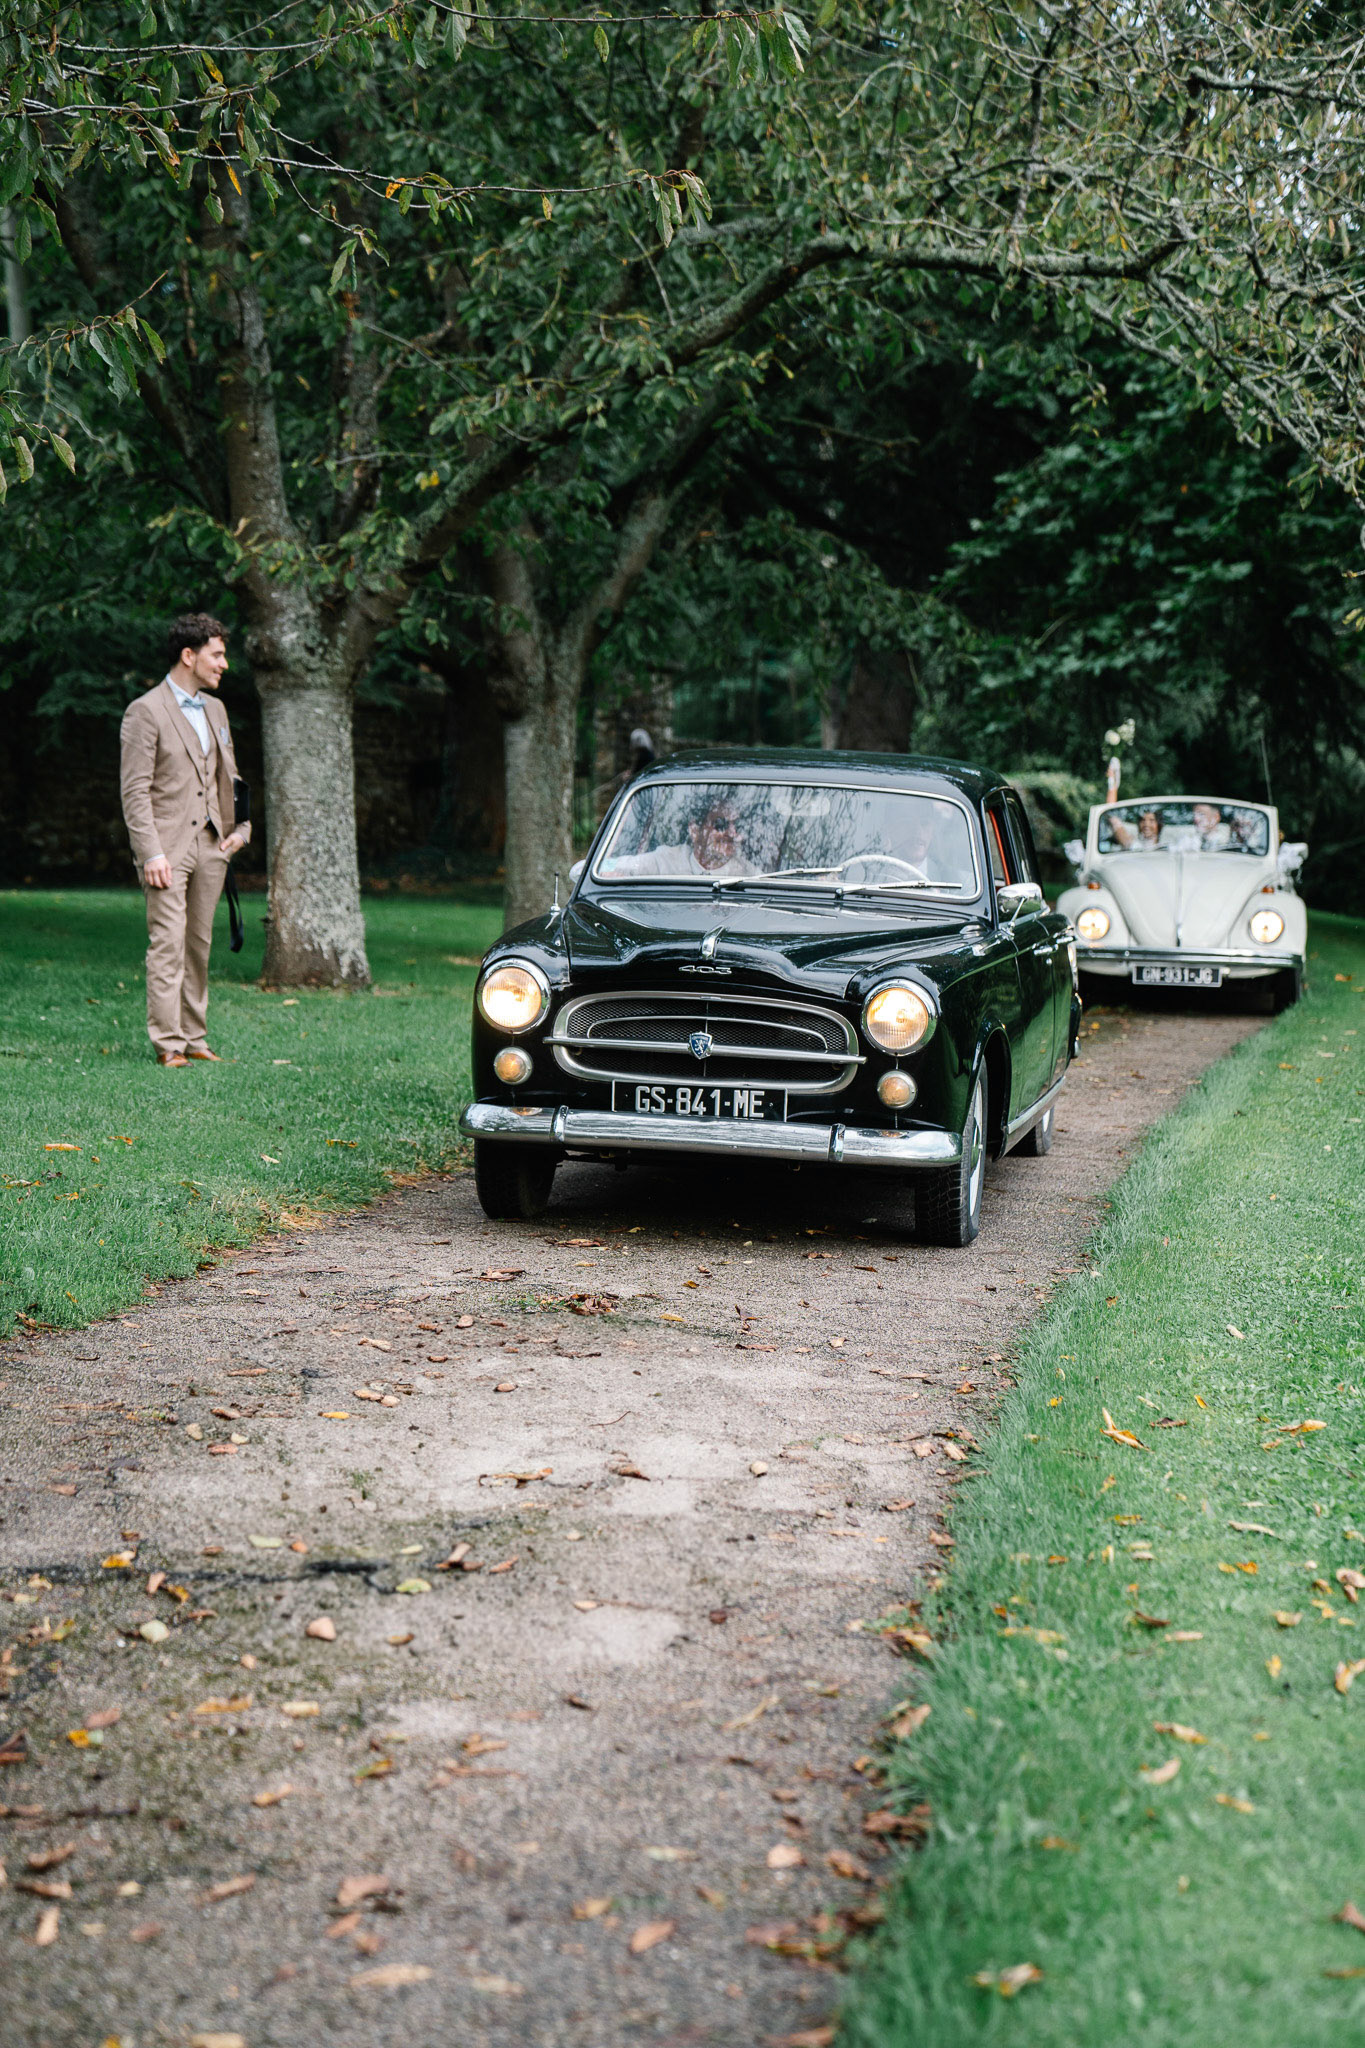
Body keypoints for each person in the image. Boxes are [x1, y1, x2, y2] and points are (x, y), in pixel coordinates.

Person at [119, 613, 250, 1066]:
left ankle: (195, 1036)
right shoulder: (145, 711)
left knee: (198, 944)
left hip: (212, 846)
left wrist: (241, 829)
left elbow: (230, 777)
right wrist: (150, 852)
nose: (225, 664)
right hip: (166, 850)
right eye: (218, 655)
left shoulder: (216, 709)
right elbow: (135, 791)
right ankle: (169, 1043)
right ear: (189, 656)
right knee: (168, 944)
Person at [602, 793, 757, 878]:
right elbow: (598, 867)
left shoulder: (748, 874)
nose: (732, 833)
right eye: (720, 824)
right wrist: (611, 872)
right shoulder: (666, 861)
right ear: (694, 830)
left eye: (737, 826)